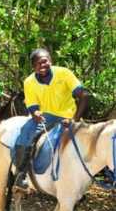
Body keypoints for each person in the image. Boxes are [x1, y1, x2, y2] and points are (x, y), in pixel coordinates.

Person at [14, 48, 89, 189]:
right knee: (25, 132)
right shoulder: (29, 82)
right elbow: (32, 105)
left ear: (50, 60)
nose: (42, 65)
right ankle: (21, 173)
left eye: (45, 61)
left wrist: (75, 119)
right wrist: (35, 113)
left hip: (68, 115)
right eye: (38, 63)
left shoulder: (64, 73)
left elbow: (83, 95)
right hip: (45, 116)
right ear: (33, 67)